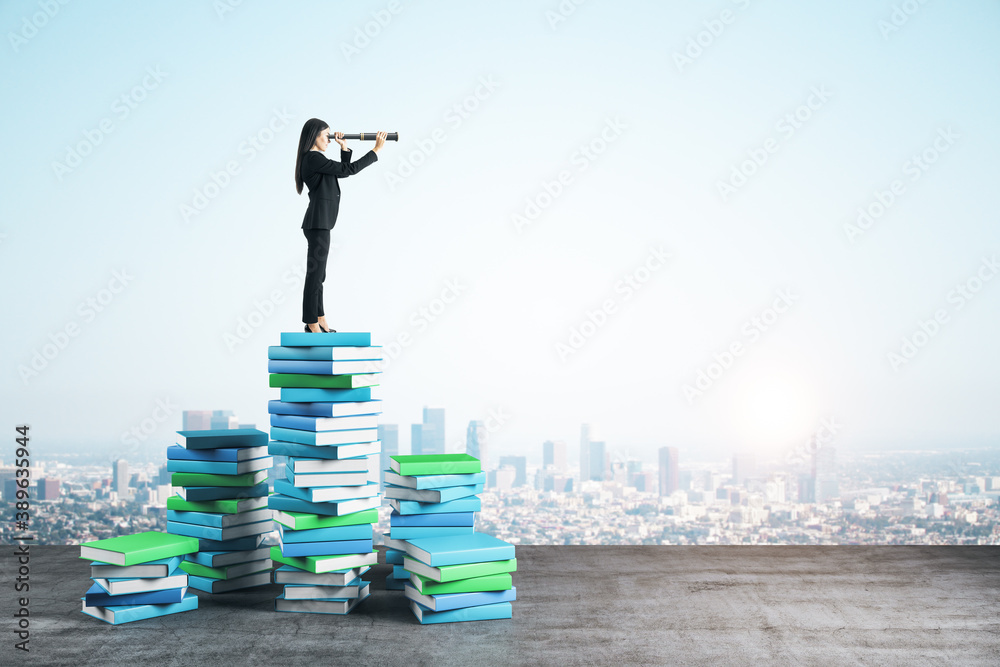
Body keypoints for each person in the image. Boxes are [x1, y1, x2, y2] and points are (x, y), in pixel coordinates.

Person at [294, 119, 387, 333]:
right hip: (318, 224)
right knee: (315, 276)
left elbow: (342, 171)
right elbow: (350, 169)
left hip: (321, 223)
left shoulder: (316, 160)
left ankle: (320, 319)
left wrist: (344, 148)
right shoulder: (312, 158)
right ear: (314, 135)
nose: (328, 139)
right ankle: (311, 323)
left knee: (319, 275)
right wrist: (375, 150)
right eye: (326, 134)